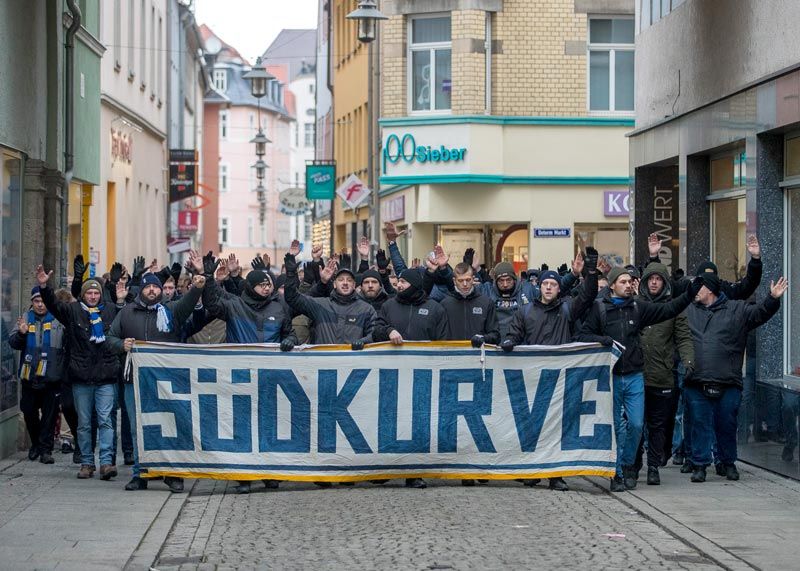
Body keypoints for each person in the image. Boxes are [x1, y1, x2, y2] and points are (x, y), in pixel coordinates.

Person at [576, 266, 702, 492]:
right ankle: (617, 472)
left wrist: (689, 295)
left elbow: (668, 310)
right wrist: (601, 339)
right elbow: (582, 335)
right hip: (611, 377)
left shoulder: (638, 307)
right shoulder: (599, 309)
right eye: (623, 282)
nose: (628, 285)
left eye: (630, 282)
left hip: (634, 375)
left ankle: (626, 462)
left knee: (636, 424)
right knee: (616, 427)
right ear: (613, 285)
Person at [502, 248, 599, 491]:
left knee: (557, 427)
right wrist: (509, 342)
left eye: (552, 285)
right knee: (533, 428)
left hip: (560, 378)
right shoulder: (525, 312)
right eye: (544, 284)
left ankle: (556, 475)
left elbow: (587, 296)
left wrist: (589, 271)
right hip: (532, 377)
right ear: (539, 288)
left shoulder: (567, 310)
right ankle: (533, 471)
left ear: (558, 289)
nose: (547, 288)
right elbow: (515, 334)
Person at [107, 270, 206, 492]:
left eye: (156, 287)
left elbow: (189, 303)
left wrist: (197, 287)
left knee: (170, 427)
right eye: (147, 287)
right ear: (141, 290)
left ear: (161, 290)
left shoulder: (170, 310)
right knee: (136, 429)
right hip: (134, 380)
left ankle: (170, 473)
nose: (152, 290)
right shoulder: (127, 313)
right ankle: (140, 474)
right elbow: (109, 337)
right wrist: (120, 345)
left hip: (166, 381)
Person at [683, 273, 787, 483]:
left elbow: (759, 313)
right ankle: (700, 465)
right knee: (700, 424)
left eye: (698, 287)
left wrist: (772, 298)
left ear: (709, 290)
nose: (694, 291)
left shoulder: (736, 309)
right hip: (696, 380)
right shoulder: (687, 311)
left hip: (728, 381)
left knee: (727, 424)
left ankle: (728, 462)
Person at [37, 265, 120, 481]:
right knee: (84, 423)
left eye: (96, 293)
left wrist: (118, 293)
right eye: (89, 293)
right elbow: (54, 306)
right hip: (81, 377)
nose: (93, 296)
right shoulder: (73, 312)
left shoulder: (110, 310)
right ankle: (86, 462)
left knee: (105, 421)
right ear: (83, 295)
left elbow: (125, 321)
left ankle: (106, 462)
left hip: (105, 376)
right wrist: (44, 286)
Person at [372, 269, 448, 489]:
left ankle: (414, 472)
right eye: (398, 281)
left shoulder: (435, 309)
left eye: (404, 282)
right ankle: (384, 468)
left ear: (414, 284)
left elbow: (442, 343)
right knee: (389, 422)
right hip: (391, 375)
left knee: (417, 425)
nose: (399, 285)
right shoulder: (388, 306)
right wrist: (388, 331)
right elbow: (376, 329)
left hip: (422, 377)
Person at [634, 260, 694, 486]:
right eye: (651, 279)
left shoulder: (673, 310)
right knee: (637, 424)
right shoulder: (635, 306)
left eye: (659, 279)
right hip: (637, 376)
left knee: (659, 425)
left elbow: (684, 337)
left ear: (665, 283)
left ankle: (653, 466)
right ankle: (634, 462)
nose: (655, 283)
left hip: (663, 375)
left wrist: (688, 361)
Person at [8, 286, 66, 465]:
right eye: (36, 301)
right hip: (30, 376)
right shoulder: (24, 318)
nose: (40, 305)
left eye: (43, 301)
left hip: (52, 377)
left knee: (49, 416)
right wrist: (21, 333)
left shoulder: (59, 319)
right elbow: (13, 343)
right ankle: (36, 444)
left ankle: (46, 450)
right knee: (29, 412)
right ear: (32, 302)